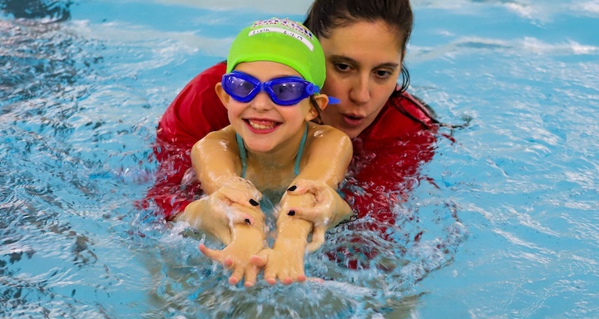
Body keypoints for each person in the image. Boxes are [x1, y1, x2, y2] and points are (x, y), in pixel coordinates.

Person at [145, 0, 440, 271]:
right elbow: (159, 203)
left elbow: (371, 238)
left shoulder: (406, 129)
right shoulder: (215, 99)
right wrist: (203, 216)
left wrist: (307, 228)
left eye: (383, 73)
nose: (361, 96)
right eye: (342, 66)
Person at [179, 18, 353, 287]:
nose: (260, 104)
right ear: (225, 96)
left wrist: (291, 244)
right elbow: (232, 196)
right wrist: (247, 238)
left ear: (312, 107)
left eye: (285, 90)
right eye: (243, 86)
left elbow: (310, 192)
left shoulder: (330, 142)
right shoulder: (212, 147)